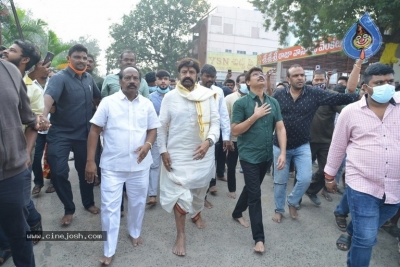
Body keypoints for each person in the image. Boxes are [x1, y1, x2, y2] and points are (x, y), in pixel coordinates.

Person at [324, 63, 400, 266]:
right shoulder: (351, 112)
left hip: (395, 185)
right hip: (362, 184)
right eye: (379, 83)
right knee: (366, 238)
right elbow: (338, 145)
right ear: (365, 87)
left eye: (390, 81)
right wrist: (329, 176)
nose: (386, 86)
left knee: (371, 225)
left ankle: (352, 231)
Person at [85, 66, 160, 266]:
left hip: (139, 166)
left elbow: (153, 129)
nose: (132, 81)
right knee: (109, 208)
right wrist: (90, 161)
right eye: (127, 77)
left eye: (135, 78)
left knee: (136, 204)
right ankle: (109, 249)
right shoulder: (108, 103)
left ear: (140, 82)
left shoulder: (147, 104)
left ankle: (134, 232)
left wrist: (148, 144)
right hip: (112, 166)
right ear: (120, 81)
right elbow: (94, 131)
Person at [270, 64, 359, 222]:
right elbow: (269, 115)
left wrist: (357, 90)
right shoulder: (278, 94)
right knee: (280, 181)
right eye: (296, 76)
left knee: (304, 178)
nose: (300, 78)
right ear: (288, 79)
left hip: (302, 145)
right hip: (279, 146)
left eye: (302, 75)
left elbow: (345, 97)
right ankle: (279, 209)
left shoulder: (314, 93)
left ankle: (292, 201)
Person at [158, 58, 219, 256]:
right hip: (177, 154)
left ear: (197, 76)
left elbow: (216, 124)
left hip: (203, 153)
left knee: (199, 193)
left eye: (191, 72)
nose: (187, 75)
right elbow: (161, 126)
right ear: (178, 75)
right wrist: (163, 151)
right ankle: (181, 234)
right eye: (184, 72)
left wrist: (208, 141)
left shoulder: (208, 96)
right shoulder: (170, 97)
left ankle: (197, 213)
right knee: (180, 194)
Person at [43, 44, 101, 226]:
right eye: (77, 57)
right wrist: (43, 116)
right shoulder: (59, 79)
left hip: (85, 134)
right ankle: (69, 208)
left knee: (88, 170)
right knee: (59, 171)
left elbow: (98, 100)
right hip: (61, 133)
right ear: (69, 59)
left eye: (84, 58)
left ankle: (88, 202)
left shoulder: (89, 78)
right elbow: (48, 99)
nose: (81, 60)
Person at [231, 67, 286, 253]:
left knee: (250, 187)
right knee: (255, 195)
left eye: (261, 74)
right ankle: (259, 239)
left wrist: (283, 153)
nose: (260, 76)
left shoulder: (273, 103)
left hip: (266, 156)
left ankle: (237, 212)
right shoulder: (241, 104)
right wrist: (254, 116)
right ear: (247, 82)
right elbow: (235, 131)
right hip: (248, 156)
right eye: (255, 75)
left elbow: (280, 128)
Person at [0, 58, 49, 267]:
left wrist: (26, 153)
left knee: (19, 235)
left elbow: (31, 120)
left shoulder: (10, 71)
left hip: (11, 173)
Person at [305, 68, 356, 205]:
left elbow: (345, 111)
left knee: (325, 170)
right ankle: (296, 198)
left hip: (326, 141)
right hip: (306, 141)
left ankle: (311, 190)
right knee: (303, 173)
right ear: (312, 80)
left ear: (326, 81)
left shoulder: (331, 96)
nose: (319, 82)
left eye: (322, 80)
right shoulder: (305, 94)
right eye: (317, 80)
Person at [200, 64, 231, 208]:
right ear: (201, 75)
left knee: (209, 167)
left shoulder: (218, 91)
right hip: (196, 134)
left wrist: (226, 137)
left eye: (213, 77)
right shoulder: (193, 90)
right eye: (207, 76)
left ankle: (203, 196)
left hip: (213, 135)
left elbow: (223, 115)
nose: (210, 79)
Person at [147, 70, 171, 205]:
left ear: (169, 81)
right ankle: (152, 195)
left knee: (171, 163)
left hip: (172, 135)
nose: (163, 81)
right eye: (160, 79)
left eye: (166, 79)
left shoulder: (175, 96)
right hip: (156, 135)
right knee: (155, 164)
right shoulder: (150, 98)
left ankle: (171, 193)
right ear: (156, 81)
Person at [225, 73, 246, 199]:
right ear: (237, 84)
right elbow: (225, 119)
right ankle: (231, 189)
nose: (245, 84)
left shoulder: (254, 98)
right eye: (242, 81)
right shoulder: (229, 98)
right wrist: (227, 139)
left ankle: (248, 189)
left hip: (249, 139)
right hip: (234, 138)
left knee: (248, 166)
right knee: (232, 165)